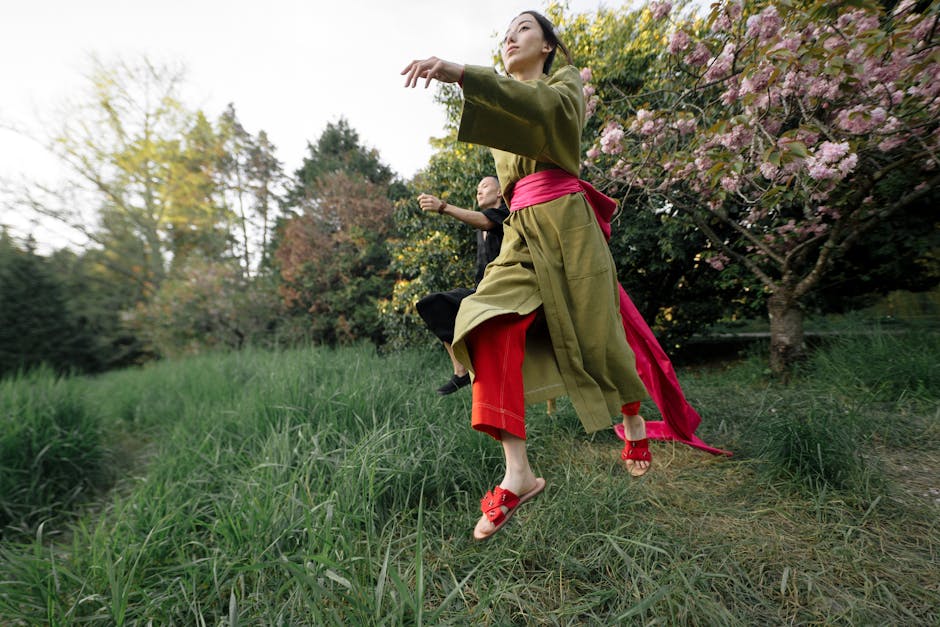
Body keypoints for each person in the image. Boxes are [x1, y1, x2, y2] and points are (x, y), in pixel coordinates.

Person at [403, 10, 651, 541]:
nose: (510, 38)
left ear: (547, 46)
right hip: (520, 232)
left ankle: (631, 418)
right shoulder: (506, 103)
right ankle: (519, 473)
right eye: (505, 33)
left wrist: (462, 73)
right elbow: (511, 164)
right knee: (480, 319)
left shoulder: (564, 85)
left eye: (522, 29)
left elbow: (540, 110)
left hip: (569, 224)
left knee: (599, 332)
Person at [415, 176, 510, 395]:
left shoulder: (507, 213)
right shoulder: (479, 229)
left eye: (485, 186)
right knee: (432, 305)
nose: (479, 191)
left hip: (505, 290)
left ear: (499, 192)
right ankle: (461, 372)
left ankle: (482, 366)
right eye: (477, 188)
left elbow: (485, 220)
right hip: (482, 290)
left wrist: (443, 207)